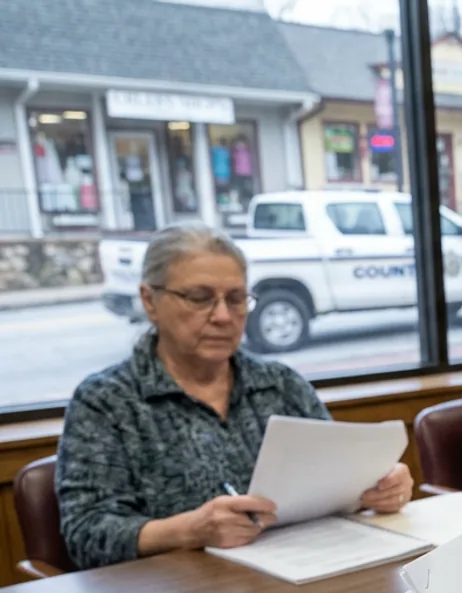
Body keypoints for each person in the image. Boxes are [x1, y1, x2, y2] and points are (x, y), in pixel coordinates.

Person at [55, 225, 413, 570]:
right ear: (150, 301)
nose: (223, 316)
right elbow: (86, 533)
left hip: (302, 571)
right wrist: (189, 530)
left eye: (237, 299)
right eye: (200, 298)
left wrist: (378, 485)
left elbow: (338, 480)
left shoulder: (280, 384)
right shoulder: (107, 401)